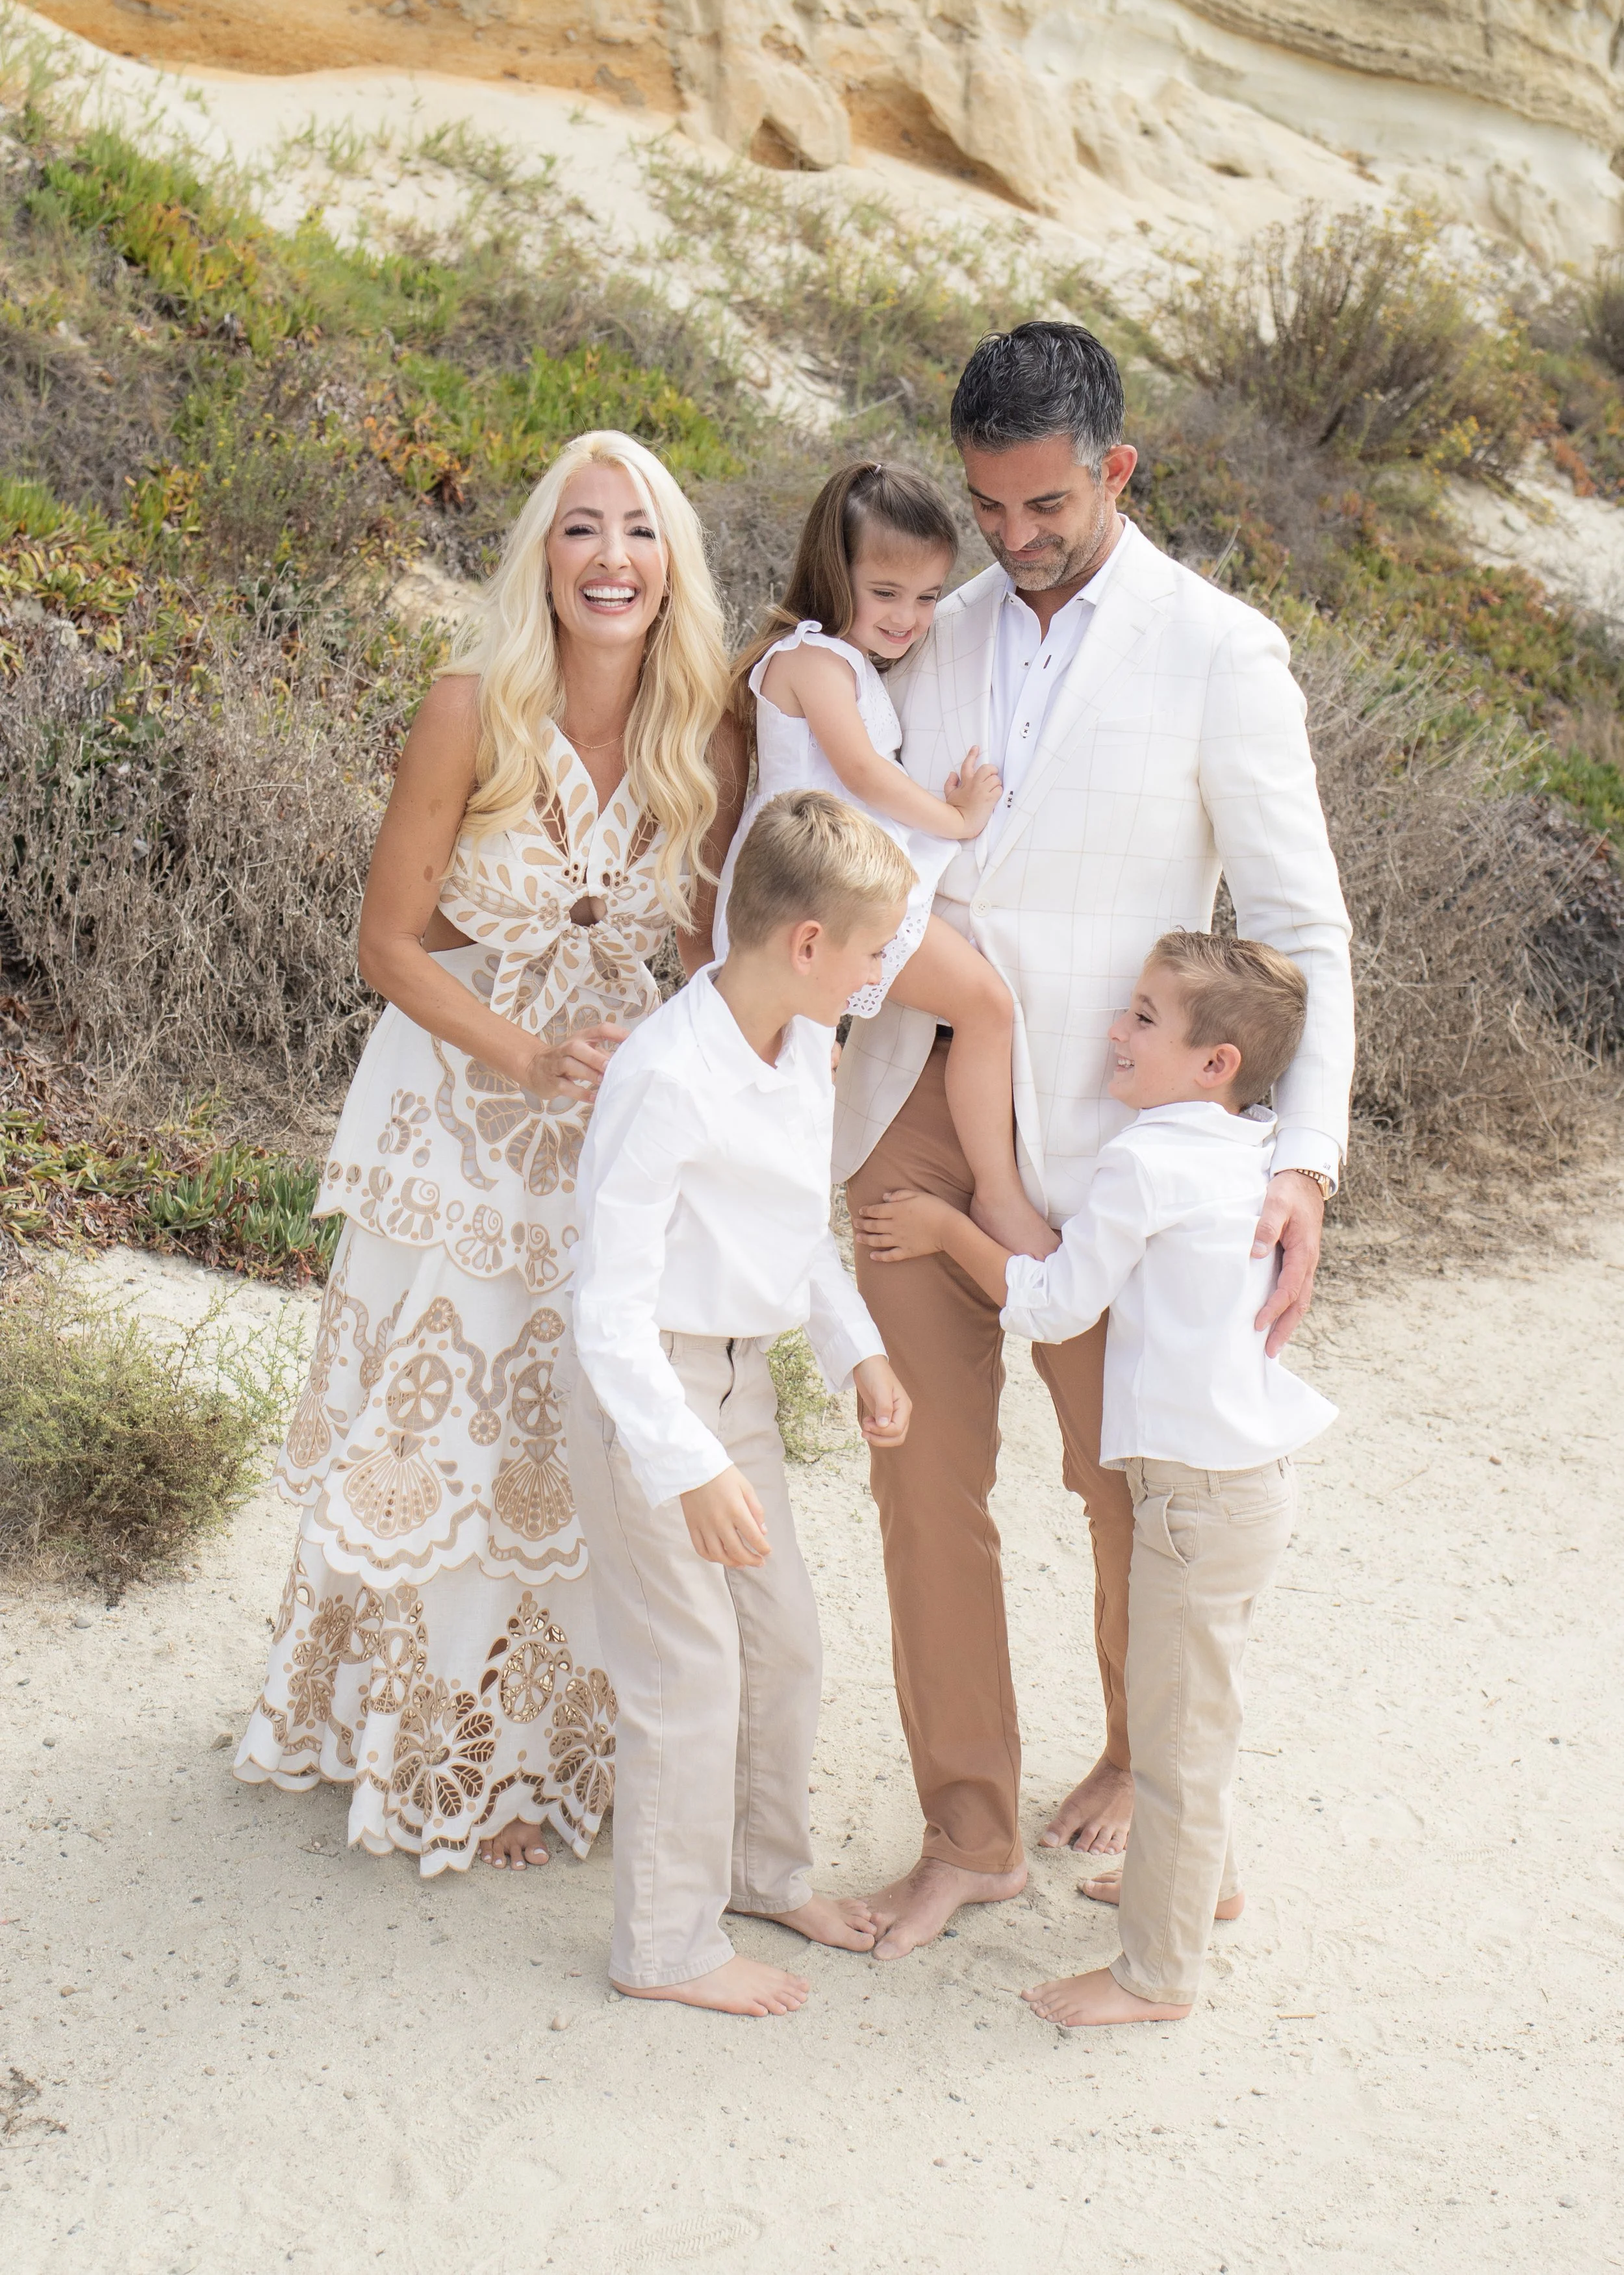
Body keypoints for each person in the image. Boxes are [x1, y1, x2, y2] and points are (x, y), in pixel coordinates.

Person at [834, 320, 1355, 1958]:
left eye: (1043, 505)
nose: (1011, 538)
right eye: (988, 508)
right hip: (914, 1105)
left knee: (1119, 1488)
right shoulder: (937, 624)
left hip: (1112, 1143)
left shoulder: (1223, 650)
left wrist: (1301, 1159)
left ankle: (1147, 1761)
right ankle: (968, 1830)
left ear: (1115, 469)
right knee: (923, 1483)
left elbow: (1297, 927)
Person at [235, 431, 744, 1875]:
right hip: (457, 1122)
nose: (609, 560)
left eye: (638, 534)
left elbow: (710, 959)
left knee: (571, 1428)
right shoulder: (471, 709)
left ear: (671, 567)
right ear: (540, 556)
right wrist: (523, 1054)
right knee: (448, 1433)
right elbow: (385, 944)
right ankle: (420, 1744)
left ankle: (542, 1750)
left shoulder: (702, 733)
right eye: (579, 530)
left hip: (609, 1131)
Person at [857, 931, 1336, 2024]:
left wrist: (948, 1228)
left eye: (1143, 1019)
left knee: (1175, 1734)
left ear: (1214, 1063)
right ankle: (1205, 1884)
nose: (1114, 1032)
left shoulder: (1143, 1160)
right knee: (1193, 1704)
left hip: (1195, 1495)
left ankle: (1155, 1978)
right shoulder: (1246, 1148)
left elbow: (1054, 1304)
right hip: (1241, 1482)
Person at [570, 790, 914, 2016]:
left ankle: (764, 1873)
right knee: (690, 1666)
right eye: (876, 951)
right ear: (807, 944)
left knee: (783, 1641)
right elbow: (604, 1309)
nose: (884, 975)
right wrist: (687, 1463)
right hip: (646, 1389)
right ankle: (664, 1945)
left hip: (740, 1382)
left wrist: (856, 1349)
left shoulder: (806, 1049)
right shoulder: (667, 1076)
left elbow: (792, 1229)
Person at [713, 461, 1052, 1257]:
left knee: (792, 1072)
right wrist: (958, 818)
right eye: (887, 592)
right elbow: (862, 773)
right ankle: (999, 1197)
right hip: (816, 889)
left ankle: (762, 1235)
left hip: (828, 883)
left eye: (929, 596)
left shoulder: (846, 663)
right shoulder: (809, 661)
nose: (909, 617)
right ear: (837, 573)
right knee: (985, 1007)